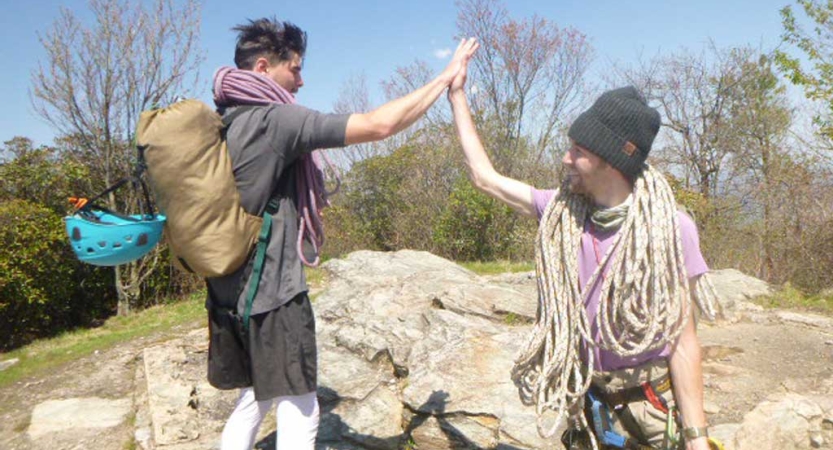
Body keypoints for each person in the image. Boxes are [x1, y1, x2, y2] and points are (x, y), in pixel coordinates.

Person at [205, 17, 478, 450]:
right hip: (273, 294)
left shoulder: (223, 120)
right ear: (262, 69)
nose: (300, 79)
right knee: (302, 405)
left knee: (254, 397)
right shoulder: (275, 122)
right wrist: (444, 79)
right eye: (293, 68)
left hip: (227, 293)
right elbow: (378, 125)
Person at [447, 60, 719, 449]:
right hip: (590, 403)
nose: (565, 158)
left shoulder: (670, 229)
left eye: (578, 150)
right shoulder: (561, 211)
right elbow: (484, 178)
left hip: (651, 405)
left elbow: (683, 340)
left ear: (610, 160)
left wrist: (696, 437)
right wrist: (457, 95)